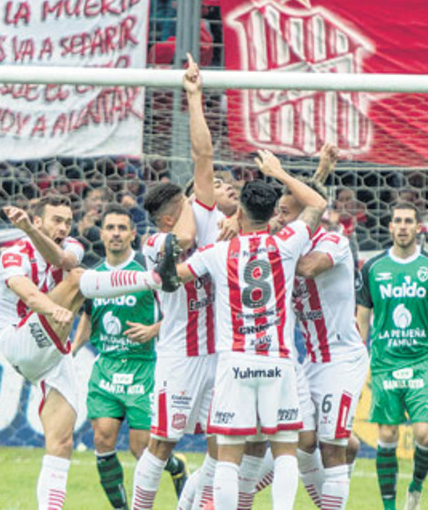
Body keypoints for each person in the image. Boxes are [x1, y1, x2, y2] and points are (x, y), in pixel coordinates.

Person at [0, 195, 179, 510]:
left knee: (61, 443)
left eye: (67, 220)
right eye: (56, 220)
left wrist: (32, 232)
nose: (64, 227)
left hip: (53, 355)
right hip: (21, 341)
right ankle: (154, 279)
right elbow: (25, 290)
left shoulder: (72, 246)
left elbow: (63, 261)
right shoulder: (13, 254)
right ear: (37, 220)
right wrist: (54, 309)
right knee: (79, 279)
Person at [172, 150, 328, 510]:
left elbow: (175, 276)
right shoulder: (287, 244)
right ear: (274, 215)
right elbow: (318, 203)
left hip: (235, 362)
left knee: (228, 452)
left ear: (238, 213)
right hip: (277, 361)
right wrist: (279, 173)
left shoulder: (218, 252)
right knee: (286, 449)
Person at [132, 54, 239, 510]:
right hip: (178, 356)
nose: (203, 199)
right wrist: (199, 219)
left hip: (220, 352)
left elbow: (204, 154)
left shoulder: (208, 214)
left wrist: (194, 96)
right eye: (190, 202)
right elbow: (190, 237)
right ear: (170, 216)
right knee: (162, 443)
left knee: (222, 443)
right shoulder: (155, 248)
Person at [271, 143, 370, 510]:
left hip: (343, 358)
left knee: (330, 448)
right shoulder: (285, 239)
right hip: (310, 360)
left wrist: (278, 249)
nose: (278, 219)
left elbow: (308, 268)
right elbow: (307, 199)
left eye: (284, 213)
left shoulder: (334, 241)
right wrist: (321, 172)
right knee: (301, 441)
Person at [72, 205, 188, 510]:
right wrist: (70, 352)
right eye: (110, 228)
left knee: (143, 451)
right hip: (106, 366)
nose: (115, 234)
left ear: (133, 234)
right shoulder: (92, 276)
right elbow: (87, 317)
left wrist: (153, 330)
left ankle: (176, 468)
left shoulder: (146, 273)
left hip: (144, 368)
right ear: (101, 233)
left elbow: (179, 315)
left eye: (122, 228)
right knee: (102, 440)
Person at [357, 202, 428, 510]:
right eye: (397, 221)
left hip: (421, 361)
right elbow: (362, 318)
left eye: (408, 221)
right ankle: (390, 508)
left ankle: (415, 487)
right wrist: (356, 361)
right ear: (390, 227)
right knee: (387, 433)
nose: (402, 226)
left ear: (418, 227)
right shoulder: (373, 268)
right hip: (385, 362)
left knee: (426, 434)